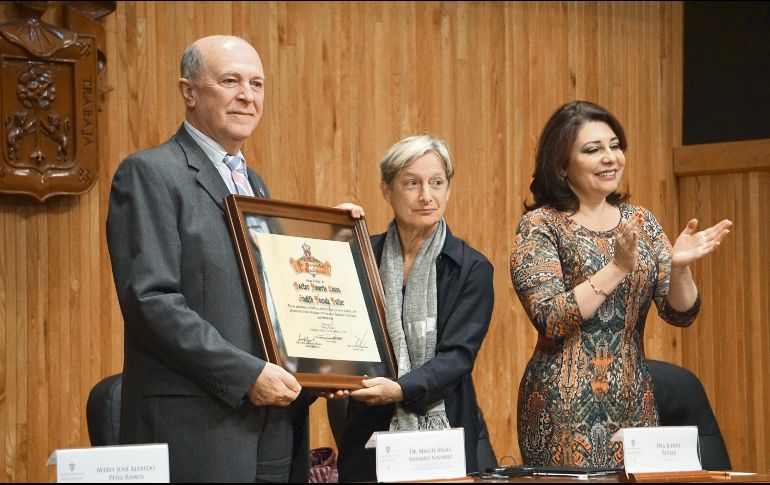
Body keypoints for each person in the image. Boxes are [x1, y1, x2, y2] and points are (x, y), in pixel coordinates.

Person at [106, 35, 354, 483]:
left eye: (257, 84)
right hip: (200, 427)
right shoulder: (150, 173)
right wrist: (246, 373)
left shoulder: (254, 185)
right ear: (189, 91)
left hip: (276, 425)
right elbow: (151, 301)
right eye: (230, 81)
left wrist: (334, 241)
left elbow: (274, 297)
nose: (247, 95)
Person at [509, 100, 732, 468]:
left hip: (636, 400)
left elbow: (681, 314)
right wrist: (616, 267)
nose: (610, 157)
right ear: (562, 165)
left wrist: (678, 268)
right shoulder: (541, 226)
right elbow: (551, 317)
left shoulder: (640, 220)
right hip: (561, 410)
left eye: (615, 146)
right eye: (593, 149)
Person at [336, 134, 497, 481]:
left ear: (448, 189)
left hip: (443, 435)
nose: (427, 196)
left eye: (437, 183)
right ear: (386, 189)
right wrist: (329, 235)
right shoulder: (362, 254)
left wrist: (400, 389)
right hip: (368, 431)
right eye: (412, 183)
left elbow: (457, 357)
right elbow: (323, 310)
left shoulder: (471, 268)